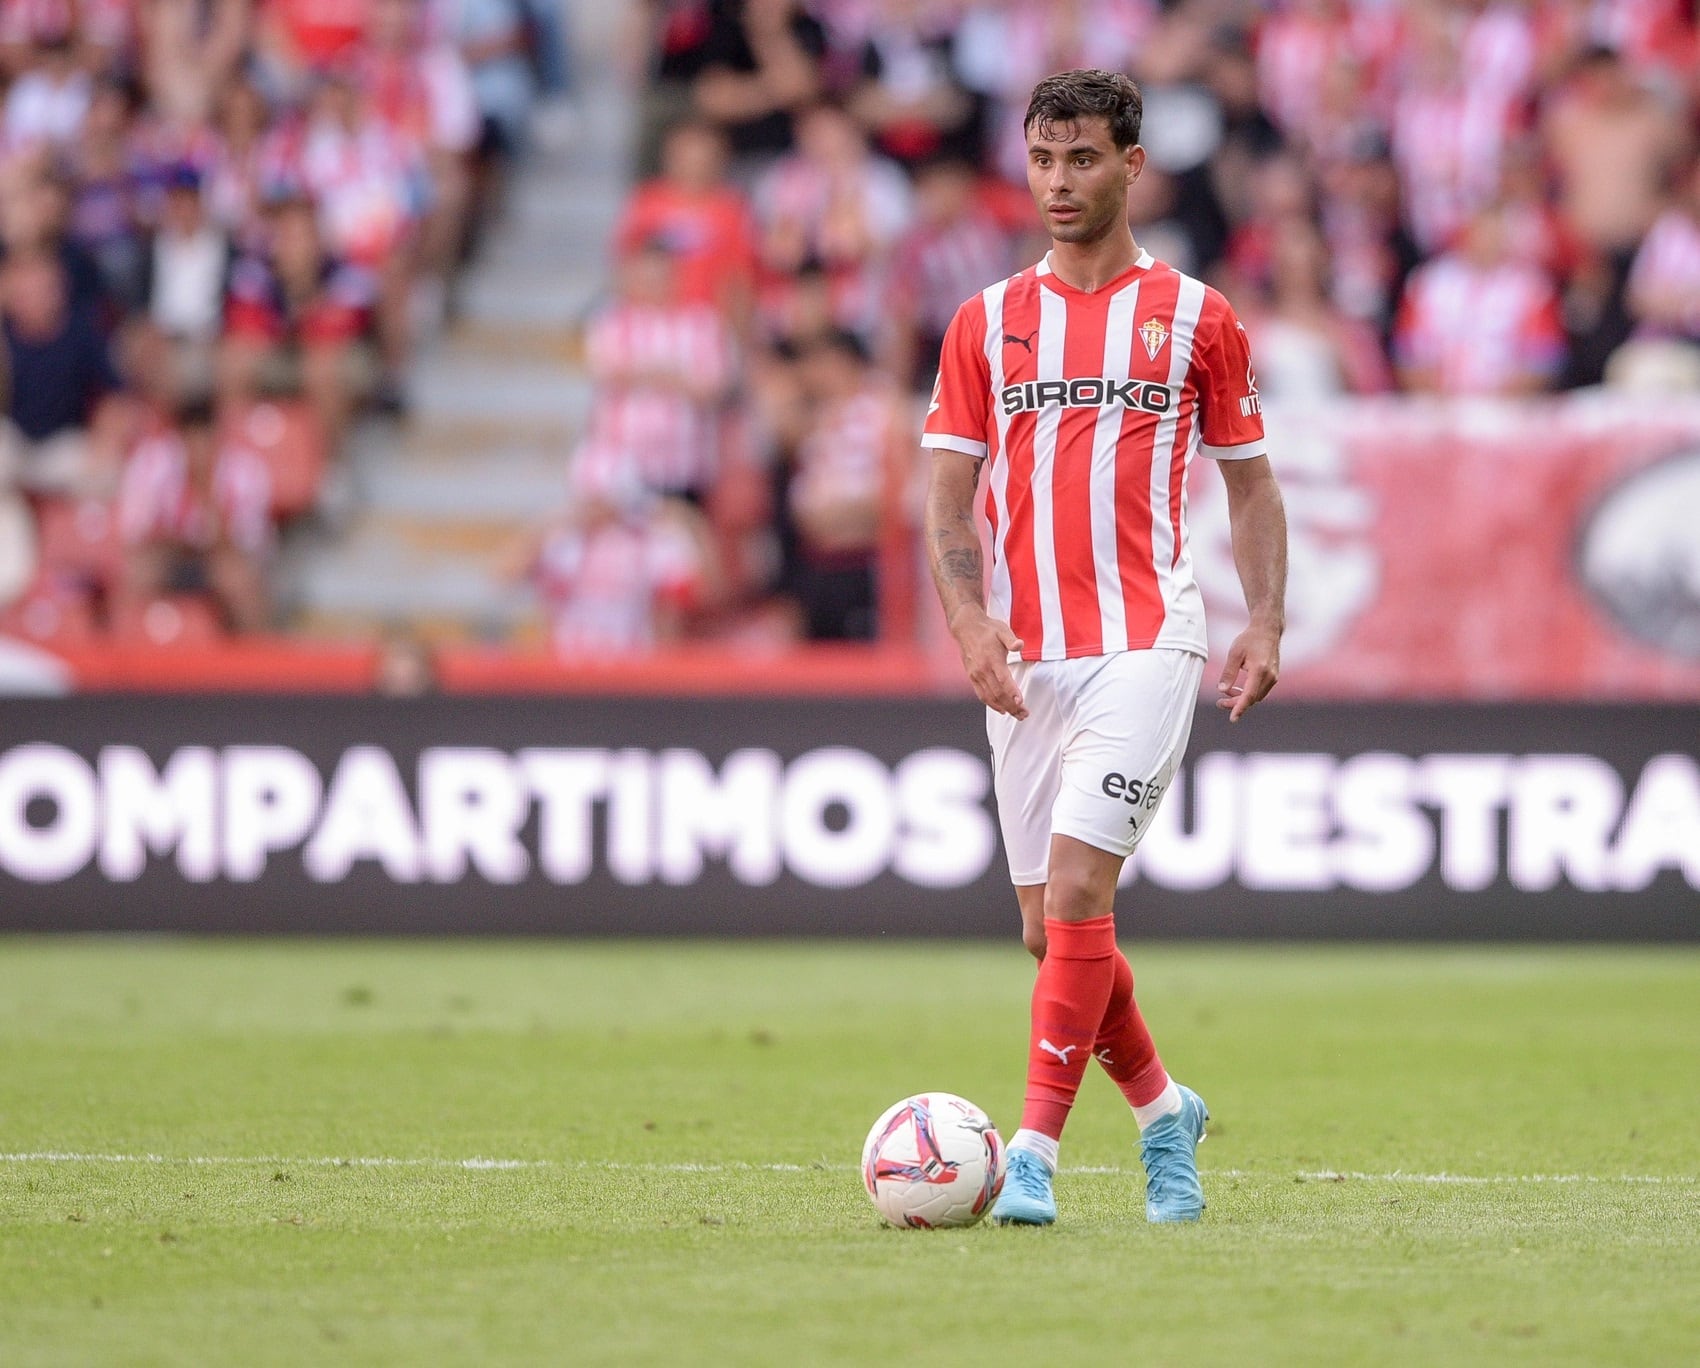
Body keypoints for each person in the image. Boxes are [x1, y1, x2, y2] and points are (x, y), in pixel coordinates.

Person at [921, 70, 1287, 1227]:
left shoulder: (1195, 316)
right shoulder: (985, 320)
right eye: (1040, 159)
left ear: (1132, 165)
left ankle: (1030, 1150)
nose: (1057, 182)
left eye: (1080, 159)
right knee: (1048, 931)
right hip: (1025, 658)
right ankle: (1162, 1110)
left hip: (1145, 639)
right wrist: (969, 622)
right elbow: (944, 501)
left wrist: (1263, 618)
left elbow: (1249, 485)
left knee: (1082, 887)